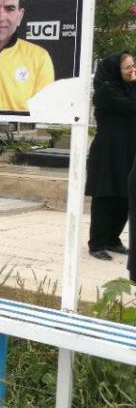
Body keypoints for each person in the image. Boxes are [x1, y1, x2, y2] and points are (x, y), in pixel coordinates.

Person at [86, 52, 136, 260]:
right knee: (106, 197)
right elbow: (130, 106)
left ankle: (113, 239)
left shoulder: (128, 88)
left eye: (133, 65)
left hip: (128, 150)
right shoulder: (107, 89)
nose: (133, 70)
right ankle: (97, 243)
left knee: (125, 196)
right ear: (115, 70)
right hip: (108, 152)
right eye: (127, 68)